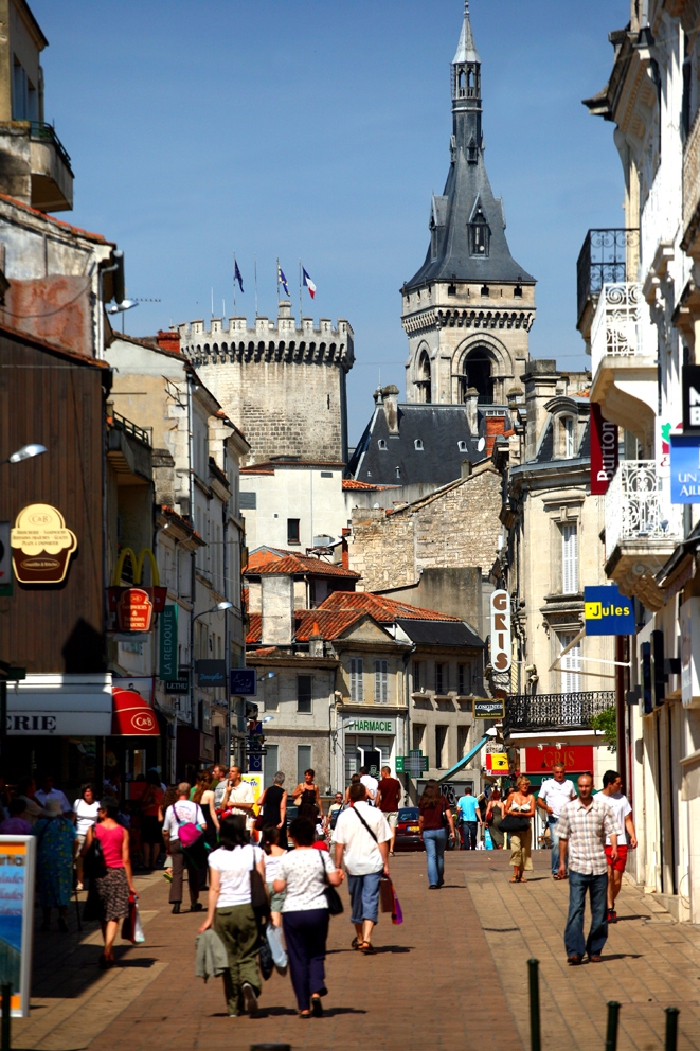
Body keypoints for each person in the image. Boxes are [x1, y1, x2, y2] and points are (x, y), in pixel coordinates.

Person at [274, 816, 344, 1017]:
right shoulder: (321, 856)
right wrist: (337, 876)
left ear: (292, 837)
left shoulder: (287, 858)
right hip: (318, 910)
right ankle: (316, 989)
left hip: (293, 912)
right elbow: (334, 881)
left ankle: (304, 1006)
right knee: (316, 953)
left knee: (297, 957)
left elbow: (278, 886)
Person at [198, 815, 264, 1017]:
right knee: (248, 953)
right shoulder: (255, 852)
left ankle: (234, 1006)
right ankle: (250, 983)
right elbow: (261, 882)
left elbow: (215, 888)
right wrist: (268, 912)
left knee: (230, 958)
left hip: (224, 911)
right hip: (248, 910)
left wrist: (209, 918)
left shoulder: (216, 856)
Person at [557, 773, 619, 964]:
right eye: (581, 786)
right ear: (578, 787)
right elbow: (563, 838)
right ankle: (574, 950)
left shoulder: (603, 808)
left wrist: (615, 847)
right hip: (577, 866)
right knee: (576, 909)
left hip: (599, 866)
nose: (584, 789)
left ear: (592, 787)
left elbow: (612, 830)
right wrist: (561, 863)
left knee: (599, 911)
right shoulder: (568, 809)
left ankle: (595, 949)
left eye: (587, 786)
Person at [335, 782, 391, 954]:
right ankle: (367, 938)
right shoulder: (376, 813)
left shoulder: (344, 816)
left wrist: (337, 867)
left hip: (352, 865)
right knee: (371, 899)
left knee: (356, 901)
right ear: (366, 795)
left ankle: (359, 938)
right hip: (373, 864)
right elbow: (383, 841)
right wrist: (386, 864)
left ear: (350, 797)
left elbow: (339, 844)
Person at [83, 800, 137, 966]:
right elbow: (126, 859)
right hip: (118, 874)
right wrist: (130, 884)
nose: (98, 811)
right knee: (114, 914)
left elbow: (86, 852)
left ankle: (107, 949)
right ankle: (108, 950)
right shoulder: (123, 831)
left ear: (106, 811)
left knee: (104, 914)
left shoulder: (93, 829)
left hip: (99, 875)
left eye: (100, 809)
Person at [162, 782, 206, 914]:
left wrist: (167, 846)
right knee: (193, 872)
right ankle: (194, 902)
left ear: (177, 792)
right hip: (191, 843)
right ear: (189, 793)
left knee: (177, 872)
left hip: (175, 840)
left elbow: (165, 831)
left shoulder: (171, 808)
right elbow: (204, 825)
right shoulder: (195, 807)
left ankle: (176, 902)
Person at [600, 769, 637, 924]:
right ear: (610, 784)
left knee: (617, 881)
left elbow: (627, 819)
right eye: (618, 783)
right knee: (607, 877)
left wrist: (633, 836)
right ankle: (609, 909)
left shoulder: (622, 800)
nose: (621, 785)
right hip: (604, 843)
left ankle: (608, 902)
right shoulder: (596, 799)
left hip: (621, 842)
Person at [34, 799, 76, 931]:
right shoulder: (67, 823)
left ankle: (46, 921)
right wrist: (72, 856)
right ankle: (62, 915)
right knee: (63, 887)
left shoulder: (40, 824)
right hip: (64, 860)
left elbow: (31, 840)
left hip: (45, 860)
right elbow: (75, 841)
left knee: (46, 889)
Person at [537, 763, 577, 879]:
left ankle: (564, 869)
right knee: (555, 843)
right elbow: (539, 800)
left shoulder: (569, 784)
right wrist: (546, 808)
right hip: (554, 818)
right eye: (557, 772)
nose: (559, 774)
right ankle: (555, 870)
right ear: (553, 772)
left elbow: (574, 799)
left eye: (561, 772)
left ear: (564, 772)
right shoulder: (547, 784)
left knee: (566, 844)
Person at [418, 780, 455, 888]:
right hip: (441, 830)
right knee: (440, 856)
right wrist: (452, 831)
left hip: (428, 832)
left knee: (431, 856)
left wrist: (421, 832)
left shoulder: (423, 801)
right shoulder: (442, 800)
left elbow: (421, 819)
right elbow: (449, 816)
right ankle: (439, 880)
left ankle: (433, 882)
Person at [505, 776, 536, 883]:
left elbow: (532, 813)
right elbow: (505, 810)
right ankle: (514, 873)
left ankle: (521, 875)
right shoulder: (512, 796)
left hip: (526, 827)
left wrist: (522, 814)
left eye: (527, 784)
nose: (525, 786)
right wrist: (512, 813)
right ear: (519, 785)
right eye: (523, 784)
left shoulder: (531, 797)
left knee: (524, 851)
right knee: (515, 848)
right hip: (514, 826)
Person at [73, 784, 100, 890]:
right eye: (85, 791)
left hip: (93, 834)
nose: (87, 793)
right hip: (80, 833)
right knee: (79, 859)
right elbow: (73, 817)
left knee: (94, 858)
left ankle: (94, 881)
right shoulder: (77, 802)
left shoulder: (98, 804)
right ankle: (80, 882)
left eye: (89, 791)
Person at [140, 770, 164, 873]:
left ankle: (146, 862)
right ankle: (154, 863)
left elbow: (144, 800)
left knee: (146, 840)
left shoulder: (150, 787)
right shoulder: (161, 789)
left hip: (148, 815)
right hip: (158, 815)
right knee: (156, 841)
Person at [220, 766, 256, 832]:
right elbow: (222, 807)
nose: (230, 773)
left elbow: (249, 805)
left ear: (238, 775)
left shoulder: (246, 787)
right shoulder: (226, 788)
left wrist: (233, 804)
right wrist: (228, 792)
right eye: (229, 771)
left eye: (233, 771)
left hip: (244, 825)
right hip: (231, 824)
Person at [258, 771, 288, 849]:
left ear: (273, 780)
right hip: (277, 817)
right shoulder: (284, 792)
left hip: (268, 816)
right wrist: (282, 821)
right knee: (279, 838)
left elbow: (260, 802)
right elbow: (282, 807)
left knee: (267, 836)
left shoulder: (268, 789)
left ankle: (265, 850)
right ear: (283, 781)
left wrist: (263, 794)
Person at [376, 767, 402, 855]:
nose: (380, 774)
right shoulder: (396, 783)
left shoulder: (381, 783)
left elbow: (378, 797)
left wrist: (377, 805)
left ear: (385, 772)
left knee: (382, 830)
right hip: (394, 809)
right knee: (392, 829)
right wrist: (395, 802)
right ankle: (391, 849)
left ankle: (384, 849)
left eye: (381, 773)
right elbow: (399, 796)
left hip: (383, 809)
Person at [456, 785, 482, 850]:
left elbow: (458, 809)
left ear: (465, 792)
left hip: (465, 820)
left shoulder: (461, 799)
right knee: (473, 835)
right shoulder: (474, 799)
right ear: (471, 792)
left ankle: (467, 848)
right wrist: (480, 820)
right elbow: (477, 809)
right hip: (473, 820)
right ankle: (473, 848)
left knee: (465, 835)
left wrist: (459, 814)